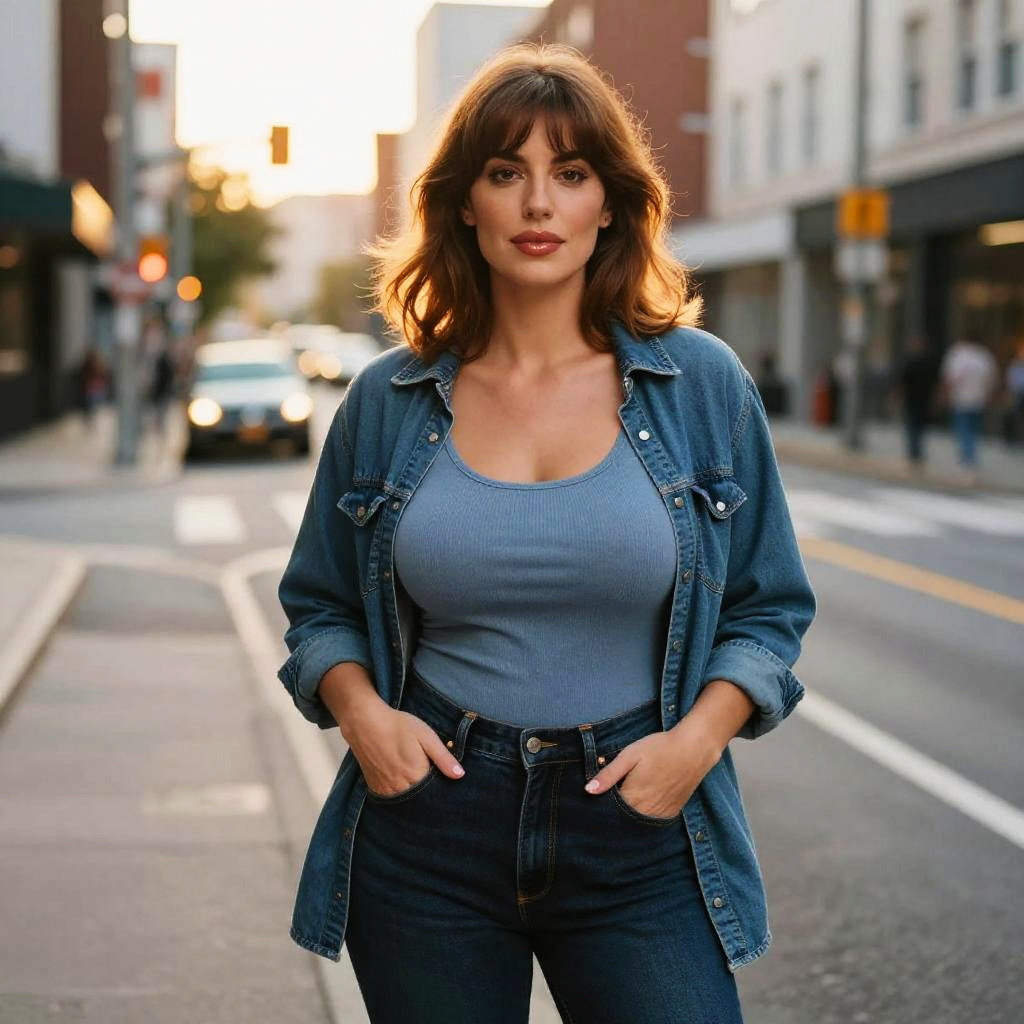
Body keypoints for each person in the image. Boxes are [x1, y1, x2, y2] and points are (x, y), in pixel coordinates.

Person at [276, 44, 816, 1024]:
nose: (537, 203)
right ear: (462, 203)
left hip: (638, 826)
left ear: (608, 204)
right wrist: (365, 719)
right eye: (505, 172)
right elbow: (320, 604)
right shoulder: (386, 401)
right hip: (430, 826)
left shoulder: (700, 386)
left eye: (569, 173)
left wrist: (694, 745)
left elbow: (767, 606)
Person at [938, 333, 997, 483]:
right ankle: (970, 460)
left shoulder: (957, 355)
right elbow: (991, 379)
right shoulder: (984, 356)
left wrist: (944, 395)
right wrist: (988, 396)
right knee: (973, 432)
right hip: (978, 399)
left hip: (961, 399)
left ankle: (968, 461)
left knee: (964, 432)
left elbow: (950, 378)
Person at [896, 334, 939, 471]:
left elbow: (936, 383)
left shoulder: (927, 363)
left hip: (921, 400)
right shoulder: (913, 362)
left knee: (916, 428)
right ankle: (915, 453)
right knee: (914, 428)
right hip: (914, 400)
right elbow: (903, 382)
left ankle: (915, 453)